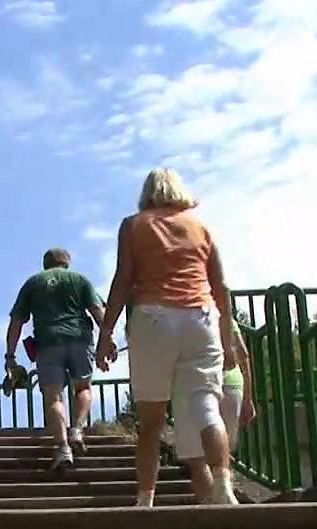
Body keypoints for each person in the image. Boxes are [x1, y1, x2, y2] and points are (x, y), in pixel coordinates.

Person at [96, 167, 237, 507]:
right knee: (206, 406)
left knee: (151, 420)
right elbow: (222, 287)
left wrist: (106, 331)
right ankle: (224, 485)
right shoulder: (200, 226)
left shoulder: (134, 225)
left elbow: (123, 280)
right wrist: (228, 339)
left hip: (154, 319)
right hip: (200, 318)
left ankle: (146, 500)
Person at [5, 248, 105, 471]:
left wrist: (10, 356)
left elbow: (16, 322)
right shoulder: (79, 280)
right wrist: (107, 340)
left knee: (53, 396)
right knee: (82, 387)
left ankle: (62, 449)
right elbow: (98, 311)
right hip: (80, 339)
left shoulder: (32, 283)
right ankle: (77, 430)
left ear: (45, 264)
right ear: (67, 262)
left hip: (48, 342)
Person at [176, 316, 255, 504]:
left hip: (198, 382)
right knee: (222, 453)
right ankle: (224, 495)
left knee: (197, 458)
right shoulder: (224, 317)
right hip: (232, 382)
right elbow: (243, 356)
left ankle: (210, 505)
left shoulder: (180, 316)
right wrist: (248, 398)